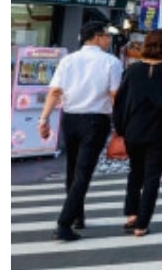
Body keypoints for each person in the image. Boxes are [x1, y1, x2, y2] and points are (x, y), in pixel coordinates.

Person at [37, 22, 123, 241]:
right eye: (106, 36)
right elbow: (115, 95)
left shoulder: (68, 60)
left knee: (72, 168)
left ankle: (77, 216)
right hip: (96, 119)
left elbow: (55, 91)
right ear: (96, 37)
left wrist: (44, 119)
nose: (109, 39)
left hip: (70, 118)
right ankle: (64, 223)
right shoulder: (111, 62)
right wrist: (121, 123)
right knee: (83, 172)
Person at [113, 28, 162, 237]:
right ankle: (142, 224)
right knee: (152, 177)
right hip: (160, 131)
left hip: (133, 131)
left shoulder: (132, 70)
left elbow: (120, 102)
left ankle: (131, 214)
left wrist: (120, 128)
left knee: (135, 171)